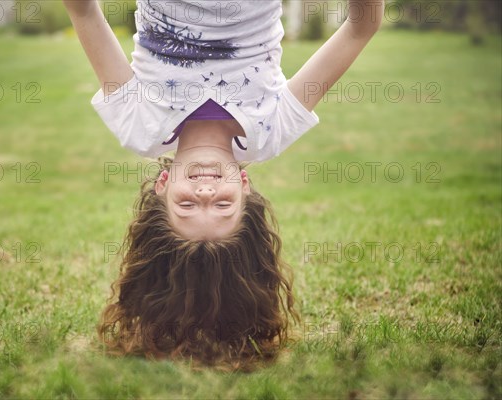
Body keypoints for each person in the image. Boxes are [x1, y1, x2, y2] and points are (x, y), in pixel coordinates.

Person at [63, 0, 384, 369]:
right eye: (222, 206)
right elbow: (362, 26)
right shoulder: (272, 130)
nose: (205, 194)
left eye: (187, 206)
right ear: (244, 187)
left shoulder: (138, 125)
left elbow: (83, 11)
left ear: (163, 185)